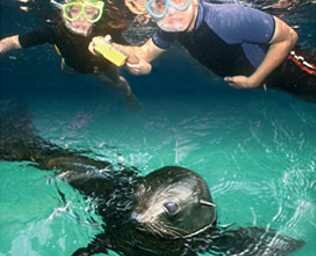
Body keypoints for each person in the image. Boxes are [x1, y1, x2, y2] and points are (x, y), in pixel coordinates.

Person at [90, 0, 316, 101]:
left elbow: (289, 37)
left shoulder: (229, 17)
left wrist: (255, 80)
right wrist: (108, 46)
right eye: (159, 5)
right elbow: (143, 54)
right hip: (274, 80)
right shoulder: (171, 26)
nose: (171, 12)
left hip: (294, 69)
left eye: (178, 0)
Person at [0, 0, 141, 109]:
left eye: (90, 12)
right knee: (67, 70)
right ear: (63, 12)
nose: (81, 19)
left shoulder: (108, 31)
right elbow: (11, 42)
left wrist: (118, 49)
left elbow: (135, 55)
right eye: (73, 11)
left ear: (98, 15)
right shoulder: (54, 31)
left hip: (104, 66)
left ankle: (129, 96)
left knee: (118, 83)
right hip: (71, 64)